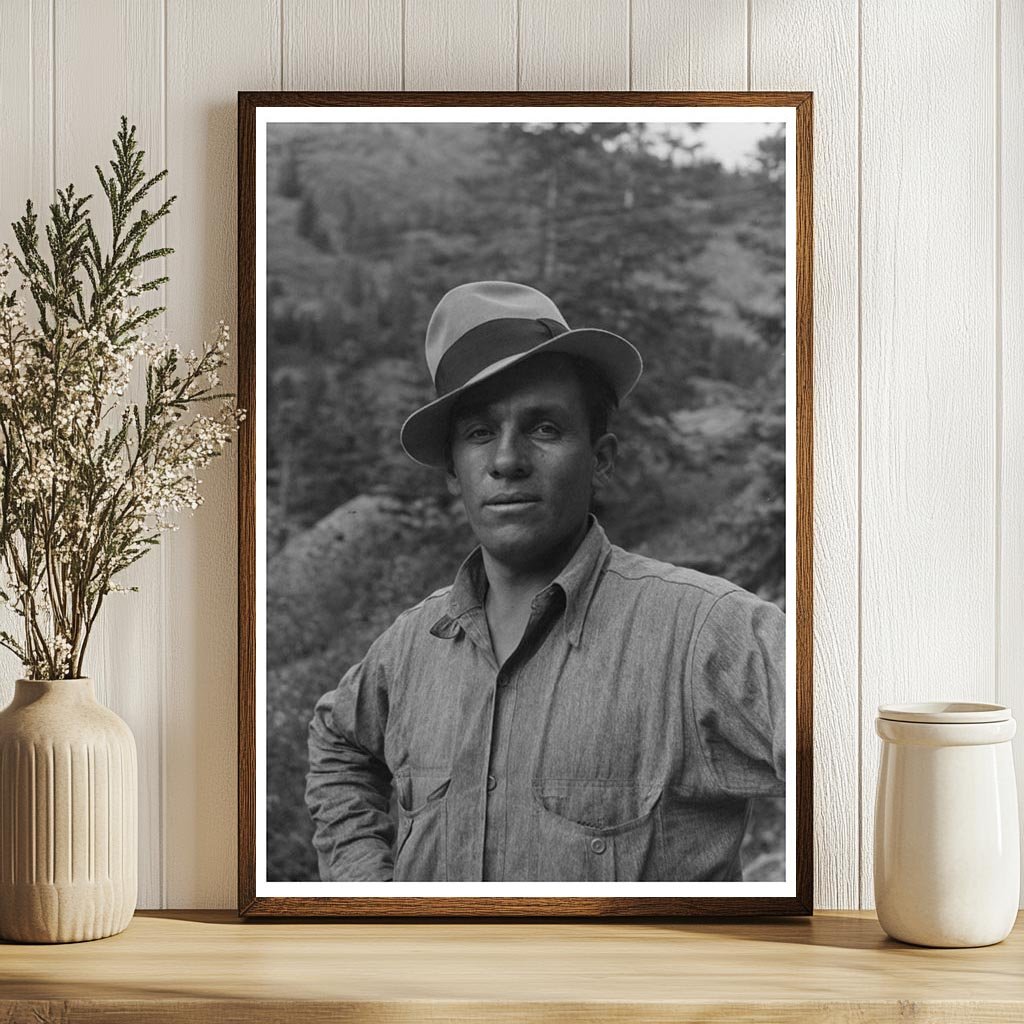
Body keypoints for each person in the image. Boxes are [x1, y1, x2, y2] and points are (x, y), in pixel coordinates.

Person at [306, 280, 785, 883]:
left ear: (601, 458)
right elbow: (337, 743)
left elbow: (856, 748)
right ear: (454, 469)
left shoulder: (707, 634)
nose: (506, 460)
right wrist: (365, 895)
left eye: (543, 428)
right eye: (480, 433)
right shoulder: (409, 648)